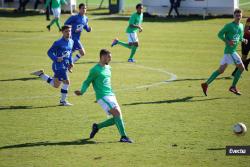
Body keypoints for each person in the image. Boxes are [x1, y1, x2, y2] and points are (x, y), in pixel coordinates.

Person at [74, 49, 133, 143]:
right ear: (103, 57)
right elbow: (87, 82)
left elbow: (106, 83)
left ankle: (97, 126)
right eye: (109, 56)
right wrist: (82, 91)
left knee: (117, 118)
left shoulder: (109, 68)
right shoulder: (94, 70)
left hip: (111, 95)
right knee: (117, 113)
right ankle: (123, 137)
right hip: (103, 96)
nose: (110, 58)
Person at [201, 9, 248, 96]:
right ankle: (233, 87)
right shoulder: (229, 26)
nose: (238, 17)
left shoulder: (241, 26)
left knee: (221, 70)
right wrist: (227, 41)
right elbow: (219, 34)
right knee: (241, 68)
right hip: (230, 51)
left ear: (242, 16)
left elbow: (239, 37)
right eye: (236, 15)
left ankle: (206, 84)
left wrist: (244, 40)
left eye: (239, 15)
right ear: (233, 16)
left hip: (230, 52)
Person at [31, 25, 74, 106]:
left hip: (65, 65)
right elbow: (49, 52)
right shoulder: (58, 43)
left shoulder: (71, 41)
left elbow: (70, 53)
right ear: (62, 32)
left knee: (56, 85)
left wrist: (71, 62)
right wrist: (56, 58)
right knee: (67, 82)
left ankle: (41, 75)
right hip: (58, 66)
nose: (68, 33)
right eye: (66, 31)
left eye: (69, 31)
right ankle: (63, 101)